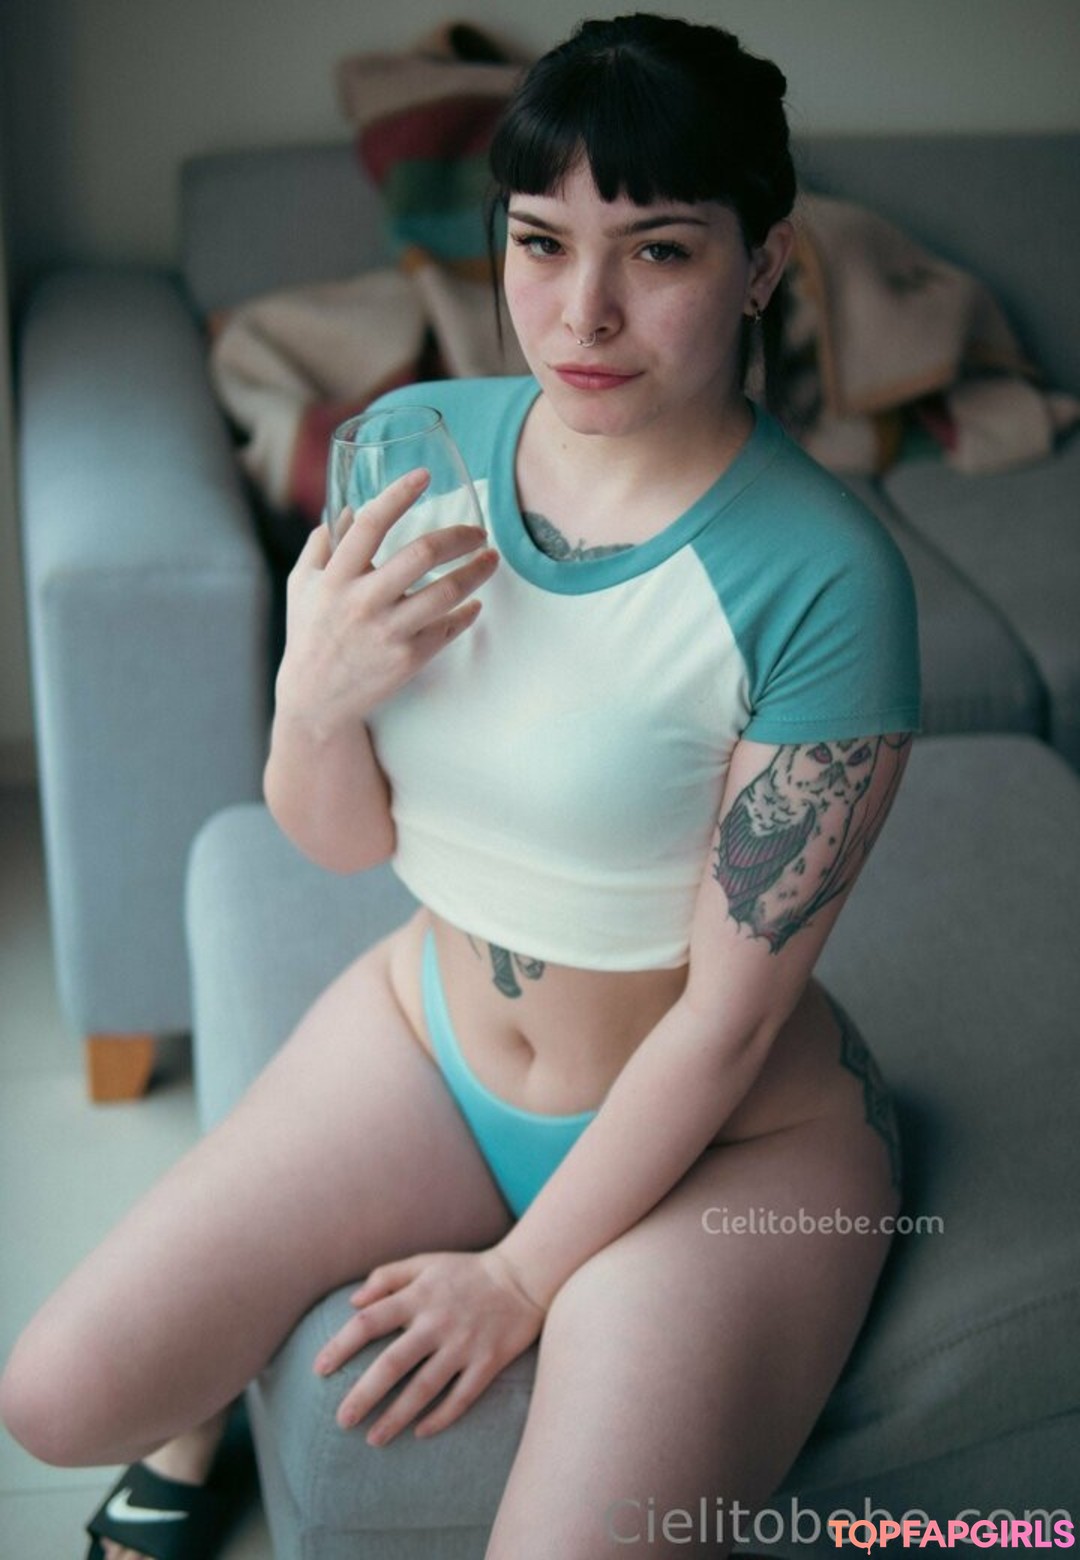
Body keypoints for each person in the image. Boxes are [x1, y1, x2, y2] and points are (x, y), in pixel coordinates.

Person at [1, 14, 921, 1560]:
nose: (584, 312)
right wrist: (310, 699)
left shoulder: (824, 578)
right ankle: (213, 1404)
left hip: (731, 1142)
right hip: (433, 1042)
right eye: (541, 242)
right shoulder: (407, 451)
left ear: (762, 262)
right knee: (52, 1396)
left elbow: (728, 1018)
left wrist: (517, 1276)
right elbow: (343, 837)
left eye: (660, 252)